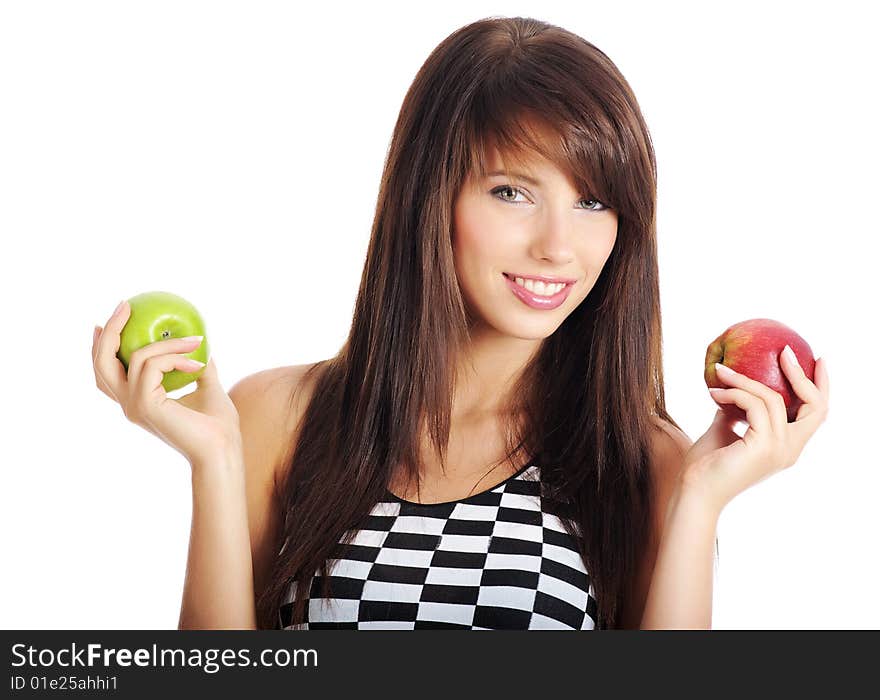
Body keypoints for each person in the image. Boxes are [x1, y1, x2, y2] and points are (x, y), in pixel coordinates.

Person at [91, 16, 830, 630]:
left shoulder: (641, 464)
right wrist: (215, 460)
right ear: (429, 195)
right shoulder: (278, 418)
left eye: (594, 202)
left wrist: (700, 499)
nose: (558, 247)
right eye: (512, 192)